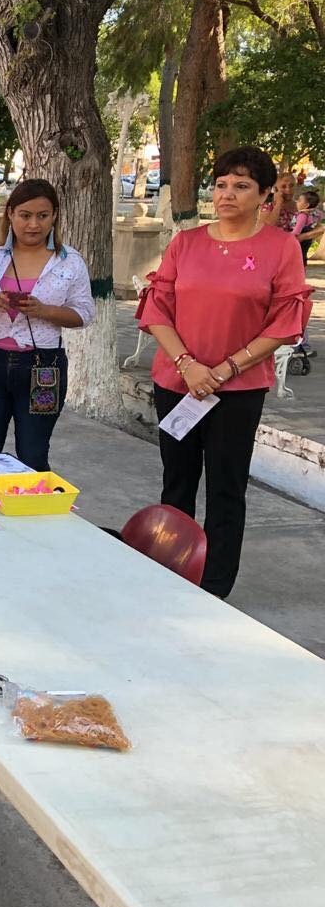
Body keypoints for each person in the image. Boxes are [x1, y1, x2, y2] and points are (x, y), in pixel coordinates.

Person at [138, 145, 311, 599]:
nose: (228, 194)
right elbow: (157, 307)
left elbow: (286, 321)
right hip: (177, 384)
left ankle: (212, 587)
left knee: (226, 487)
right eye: (221, 185)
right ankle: (166, 573)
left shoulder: (281, 248)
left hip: (237, 391)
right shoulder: (187, 242)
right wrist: (187, 365)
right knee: (176, 481)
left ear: (265, 194)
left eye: (242, 186)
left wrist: (226, 368)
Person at [0, 178, 95, 471]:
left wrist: (45, 311)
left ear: (54, 215)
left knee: (33, 454)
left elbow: (84, 314)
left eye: (42, 216)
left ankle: (30, 514)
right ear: (10, 214)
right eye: (25, 215)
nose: (33, 225)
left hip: (44, 368)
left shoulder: (69, 262)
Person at [291, 190, 322, 358]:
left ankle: (302, 344)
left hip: (297, 260)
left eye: (300, 199)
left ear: (306, 204)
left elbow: (295, 234)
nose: (297, 200)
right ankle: (302, 343)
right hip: (301, 260)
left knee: (295, 301)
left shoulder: (302, 216)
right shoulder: (313, 216)